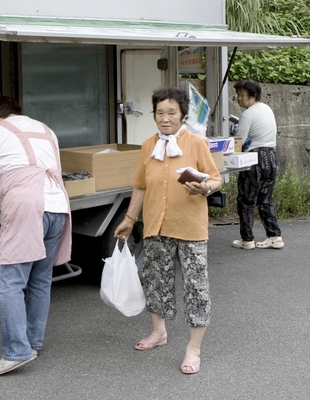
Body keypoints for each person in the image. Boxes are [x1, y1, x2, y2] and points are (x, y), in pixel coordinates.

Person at [114, 86, 222, 375]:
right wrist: (129, 218)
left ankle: (194, 349)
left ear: (183, 115)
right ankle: (158, 332)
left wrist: (204, 187)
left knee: (196, 287)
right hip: (156, 225)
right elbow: (140, 185)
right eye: (160, 112)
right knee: (155, 281)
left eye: (171, 113)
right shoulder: (148, 146)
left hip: (190, 227)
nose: (165, 118)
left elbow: (216, 179)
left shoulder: (196, 143)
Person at [0, 96, 72, 376]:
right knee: (40, 279)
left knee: (10, 282)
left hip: (28, 209)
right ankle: (33, 343)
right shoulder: (46, 129)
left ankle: (17, 351)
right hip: (57, 206)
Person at [231, 79, 283, 250]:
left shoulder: (247, 114)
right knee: (266, 199)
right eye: (237, 95)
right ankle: (274, 236)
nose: (238, 98)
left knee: (246, 199)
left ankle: (247, 240)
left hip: (255, 159)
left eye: (242, 95)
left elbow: (238, 142)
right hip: (272, 156)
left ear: (253, 96)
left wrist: (232, 137)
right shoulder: (266, 108)